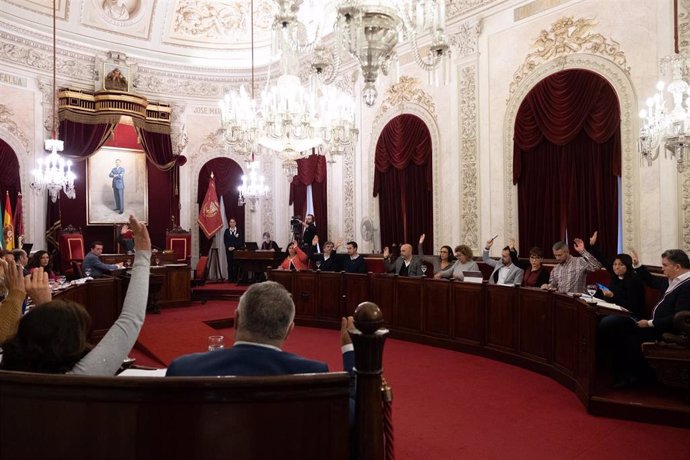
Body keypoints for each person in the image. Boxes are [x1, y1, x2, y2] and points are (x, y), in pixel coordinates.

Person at [1, 215, 151, 375]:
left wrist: (17, 295)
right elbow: (130, 319)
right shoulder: (83, 375)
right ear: (75, 340)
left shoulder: (8, 369)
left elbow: (6, 337)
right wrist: (143, 254)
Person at [166, 281, 354, 377]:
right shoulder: (314, 373)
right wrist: (350, 352)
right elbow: (355, 417)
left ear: (236, 320)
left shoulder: (183, 369)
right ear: (289, 330)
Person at [605, 249, 690, 388]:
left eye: (664, 265)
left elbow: (678, 318)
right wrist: (637, 265)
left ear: (677, 267)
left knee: (627, 335)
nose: (662, 269)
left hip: (668, 330)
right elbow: (651, 280)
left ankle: (632, 378)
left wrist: (650, 323)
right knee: (617, 329)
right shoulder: (672, 279)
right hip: (655, 324)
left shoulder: (687, 285)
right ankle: (623, 374)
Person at [223, 218, 243, 282]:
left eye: (233, 222)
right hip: (229, 251)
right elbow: (225, 241)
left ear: (235, 223)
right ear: (229, 223)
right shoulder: (226, 231)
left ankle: (235, 279)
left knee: (236, 265)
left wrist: (235, 247)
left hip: (236, 251)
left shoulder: (239, 231)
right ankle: (230, 278)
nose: (232, 223)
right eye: (231, 222)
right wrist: (228, 247)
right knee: (229, 265)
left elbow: (241, 241)